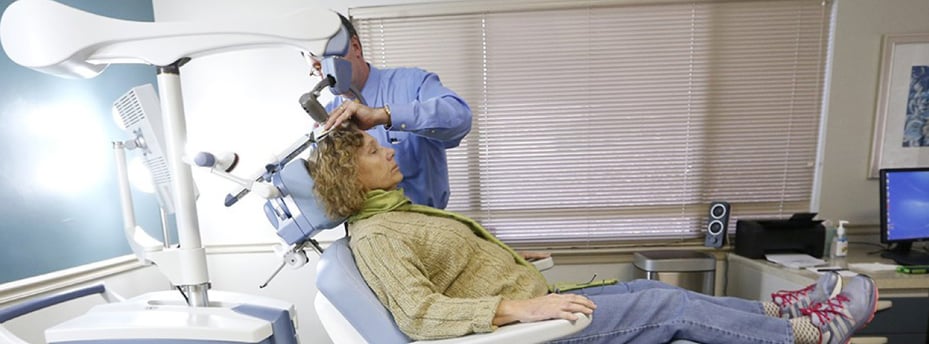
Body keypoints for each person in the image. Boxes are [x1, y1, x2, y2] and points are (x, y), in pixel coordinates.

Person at [306, 124, 880, 344]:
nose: (389, 151)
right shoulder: (377, 234)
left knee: (669, 296)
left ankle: (780, 315)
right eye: (374, 152)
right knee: (665, 302)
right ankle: (808, 336)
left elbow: (443, 269)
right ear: (350, 177)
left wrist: (502, 257)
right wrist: (519, 308)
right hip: (529, 328)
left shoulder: (400, 214)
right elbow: (418, 314)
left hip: (534, 304)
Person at [312, 13, 472, 209]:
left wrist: (384, 115)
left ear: (355, 47)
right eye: (317, 67)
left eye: (330, 63)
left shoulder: (412, 83)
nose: (325, 74)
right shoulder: (329, 117)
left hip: (426, 222)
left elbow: (460, 118)